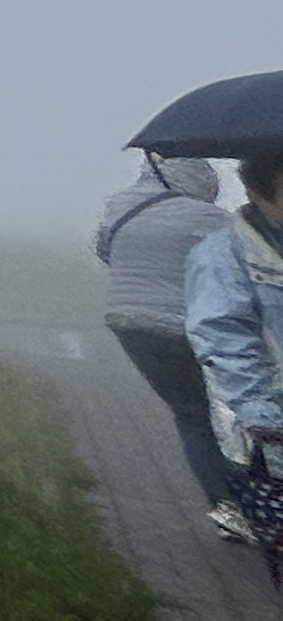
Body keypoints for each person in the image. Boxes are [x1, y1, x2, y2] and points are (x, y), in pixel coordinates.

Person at [97, 152, 244, 535]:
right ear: (195, 180)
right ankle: (251, 499)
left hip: (128, 322)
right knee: (232, 414)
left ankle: (226, 510)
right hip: (185, 327)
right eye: (211, 185)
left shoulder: (121, 205)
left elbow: (104, 250)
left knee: (190, 415)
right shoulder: (206, 218)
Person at [181, 147, 283, 589]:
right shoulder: (223, 257)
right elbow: (225, 342)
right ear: (258, 194)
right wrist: (266, 420)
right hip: (271, 441)